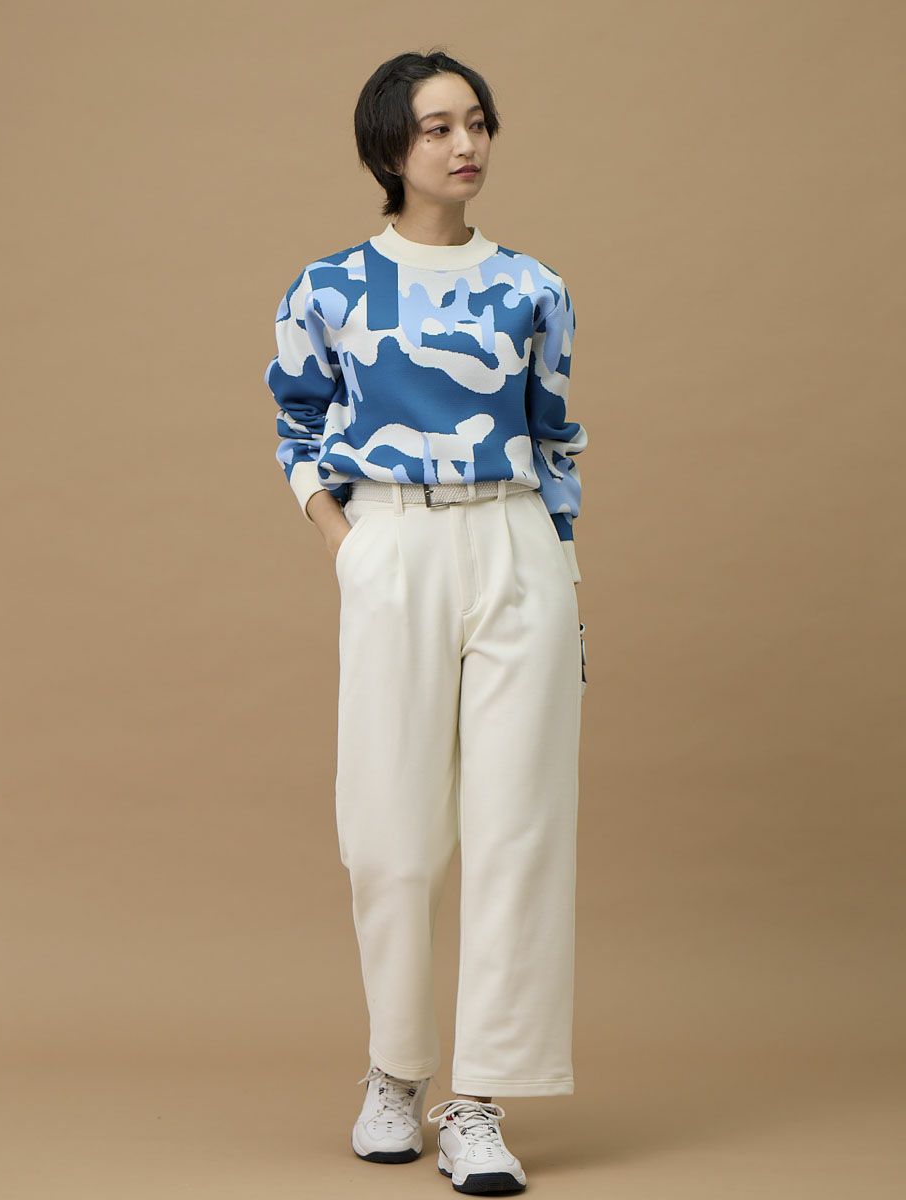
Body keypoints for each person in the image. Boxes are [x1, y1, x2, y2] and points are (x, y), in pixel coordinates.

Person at [264, 48, 588, 1195]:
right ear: (389, 147)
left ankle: (479, 1102)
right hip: (392, 543)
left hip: (515, 545)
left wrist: (562, 580)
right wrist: (347, 546)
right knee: (389, 836)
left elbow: (555, 438)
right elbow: (296, 425)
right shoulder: (329, 287)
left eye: (478, 122)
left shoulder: (534, 287)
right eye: (440, 126)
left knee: (518, 829)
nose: (466, 145)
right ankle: (395, 1072)